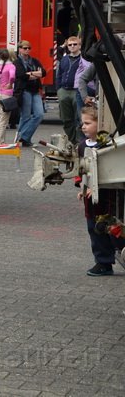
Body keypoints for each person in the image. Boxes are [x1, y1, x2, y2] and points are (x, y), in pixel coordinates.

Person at [77, 106, 125, 276]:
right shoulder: (82, 146)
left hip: (109, 199)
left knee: (114, 229)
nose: (83, 126)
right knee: (94, 230)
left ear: (100, 124)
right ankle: (103, 263)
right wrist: (82, 187)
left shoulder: (107, 145)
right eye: (83, 123)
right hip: (90, 204)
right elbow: (81, 170)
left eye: (88, 123)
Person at [13, 41, 45, 147]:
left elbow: (43, 72)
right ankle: (22, 139)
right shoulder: (17, 62)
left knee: (39, 114)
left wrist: (30, 74)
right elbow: (21, 75)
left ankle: (24, 136)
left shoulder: (34, 61)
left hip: (35, 90)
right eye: (25, 48)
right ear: (20, 49)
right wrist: (35, 74)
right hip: (24, 90)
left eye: (29, 48)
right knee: (25, 116)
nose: (27, 50)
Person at [55, 36, 84, 146]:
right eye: (70, 45)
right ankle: (73, 140)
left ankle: (79, 141)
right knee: (66, 119)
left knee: (79, 118)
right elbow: (59, 75)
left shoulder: (83, 59)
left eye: (75, 44)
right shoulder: (64, 59)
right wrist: (59, 90)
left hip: (77, 91)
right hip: (64, 90)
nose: (72, 46)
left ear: (80, 45)